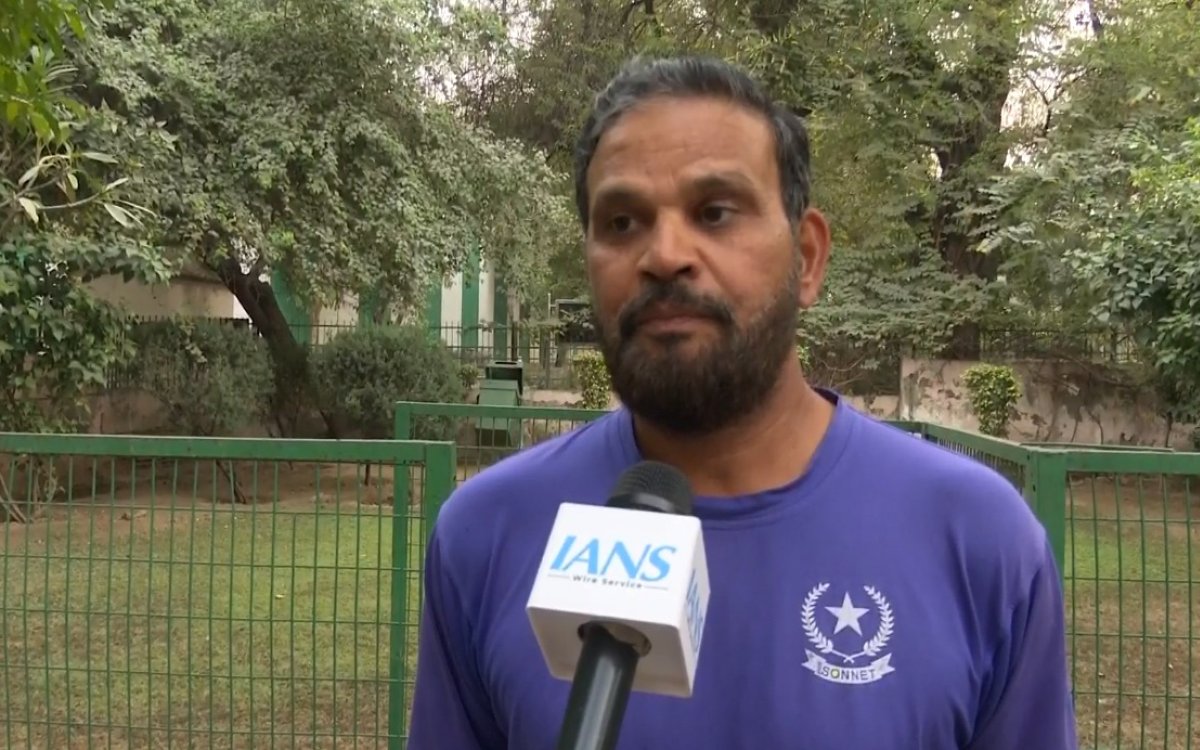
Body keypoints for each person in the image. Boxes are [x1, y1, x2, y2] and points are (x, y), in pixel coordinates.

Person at [408, 55, 1078, 749]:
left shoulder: (977, 542)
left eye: (715, 212)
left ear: (807, 258)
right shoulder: (485, 536)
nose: (664, 255)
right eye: (622, 222)